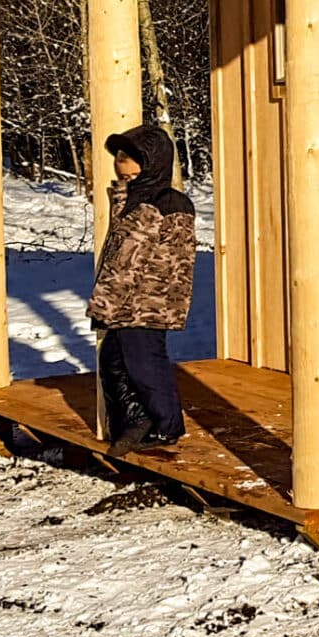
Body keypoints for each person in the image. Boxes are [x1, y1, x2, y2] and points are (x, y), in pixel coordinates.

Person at [87, 123, 195, 451]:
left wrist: (105, 303)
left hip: (149, 299)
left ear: (152, 161)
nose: (122, 165)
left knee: (145, 363)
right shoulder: (136, 199)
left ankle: (168, 425)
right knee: (116, 362)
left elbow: (129, 260)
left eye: (130, 158)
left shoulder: (161, 203)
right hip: (132, 299)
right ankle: (137, 422)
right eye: (118, 157)